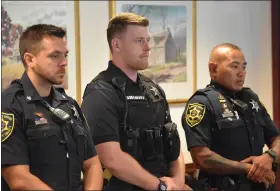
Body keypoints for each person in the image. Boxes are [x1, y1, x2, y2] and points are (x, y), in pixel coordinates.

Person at [81, 13, 192, 191]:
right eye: (139, 41)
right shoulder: (101, 92)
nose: (148, 47)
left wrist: (177, 182)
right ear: (116, 44)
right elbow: (111, 158)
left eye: (148, 40)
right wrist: (160, 186)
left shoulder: (153, 89)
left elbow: (172, 142)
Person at [1, 24, 103, 191]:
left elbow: (92, 164)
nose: (63, 63)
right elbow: (18, 178)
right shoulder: (9, 105)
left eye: (65, 55)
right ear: (30, 59)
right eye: (54, 56)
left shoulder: (69, 105)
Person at [181, 43, 280, 191]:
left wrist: (269, 156)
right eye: (234, 66)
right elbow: (201, 158)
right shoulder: (201, 103)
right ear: (213, 69)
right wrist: (248, 168)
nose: (241, 73)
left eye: (243, 67)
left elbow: (276, 138)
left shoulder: (250, 98)